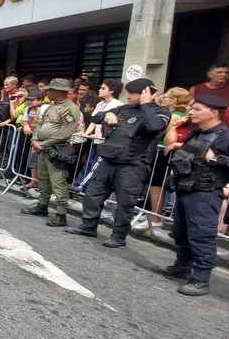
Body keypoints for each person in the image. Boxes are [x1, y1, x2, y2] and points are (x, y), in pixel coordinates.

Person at [163, 95, 229, 296]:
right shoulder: (198, 132)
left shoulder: (228, 137)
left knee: (201, 236)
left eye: (197, 109)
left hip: (206, 193)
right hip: (186, 188)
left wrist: (217, 160)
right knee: (180, 232)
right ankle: (182, 267)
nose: (191, 112)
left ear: (213, 113)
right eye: (192, 108)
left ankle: (201, 280)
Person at [66, 78, 171, 247]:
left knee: (125, 203)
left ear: (146, 94)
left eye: (132, 94)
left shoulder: (160, 112)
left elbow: (154, 126)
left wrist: (145, 104)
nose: (128, 97)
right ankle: (88, 226)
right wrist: (107, 114)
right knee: (93, 195)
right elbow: (95, 116)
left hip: (132, 165)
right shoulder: (123, 108)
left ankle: (119, 236)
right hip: (109, 160)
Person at [21, 79, 82, 227]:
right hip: (43, 148)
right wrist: (35, 140)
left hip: (57, 149)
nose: (47, 92)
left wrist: (43, 144)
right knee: (43, 178)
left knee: (58, 181)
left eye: (50, 90)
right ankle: (42, 205)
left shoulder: (70, 109)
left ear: (59, 92)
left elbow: (64, 133)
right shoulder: (51, 107)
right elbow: (41, 124)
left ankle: (61, 214)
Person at [133, 88, 192, 230]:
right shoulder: (169, 113)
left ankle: (156, 217)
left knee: (156, 186)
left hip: (163, 153)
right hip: (157, 151)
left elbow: (164, 136)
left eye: (166, 97)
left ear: (174, 100)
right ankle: (152, 213)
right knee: (153, 185)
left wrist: (172, 126)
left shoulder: (176, 116)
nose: (162, 99)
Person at [72, 79, 125, 192]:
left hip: (105, 142)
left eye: (103, 88)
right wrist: (86, 134)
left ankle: (79, 187)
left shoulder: (118, 105)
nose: (100, 90)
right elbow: (94, 121)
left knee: (94, 167)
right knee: (89, 164)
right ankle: (78, 186)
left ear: (111, 91)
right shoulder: (100, 104)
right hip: (95, 140)